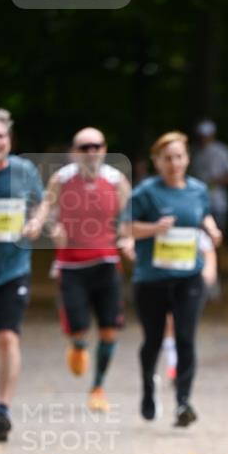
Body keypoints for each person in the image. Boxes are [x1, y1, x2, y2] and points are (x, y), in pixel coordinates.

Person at [122, 131, 220, 427]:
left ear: (187, 159)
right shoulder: (145, 192)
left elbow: (203, 215)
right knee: (152, 340)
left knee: (185, 337)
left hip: (189, 276)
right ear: (157, 162)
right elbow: (126, 229)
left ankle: (183, 402)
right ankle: (149, 391)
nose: (174, 163)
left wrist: (212, 230)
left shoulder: (198, 190)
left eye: (178, 157)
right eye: (167, 158)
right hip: (151, 278)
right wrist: (154, 229)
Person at [32, 127, 131, 412]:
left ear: (104, 148)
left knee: (110, 330)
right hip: (71, 265)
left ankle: (97, 387)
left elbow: (129, 213)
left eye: (96, 146)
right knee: (78, 331)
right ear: (74, 151)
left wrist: (127, 237)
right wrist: (48, 226)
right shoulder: (61, 179)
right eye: (84, 147)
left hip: (106, 263)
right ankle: (77, 346)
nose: (91, 152)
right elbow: (45, 208)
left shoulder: (116, 180)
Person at [0, 109, 44, 441]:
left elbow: (42, 202)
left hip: (13, 268)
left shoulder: (24, 170)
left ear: (9, 140)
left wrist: (35, 222)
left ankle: (2, 408)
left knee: (7, 337)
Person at [189, 119, 228, 234]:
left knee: (217, 236)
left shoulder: (223, 151)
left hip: (218, 204)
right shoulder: (193, 151)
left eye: (207, 134)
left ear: (213, 134)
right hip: (196, 203)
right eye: (202, 135)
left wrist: (216, 180)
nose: (204, 138)